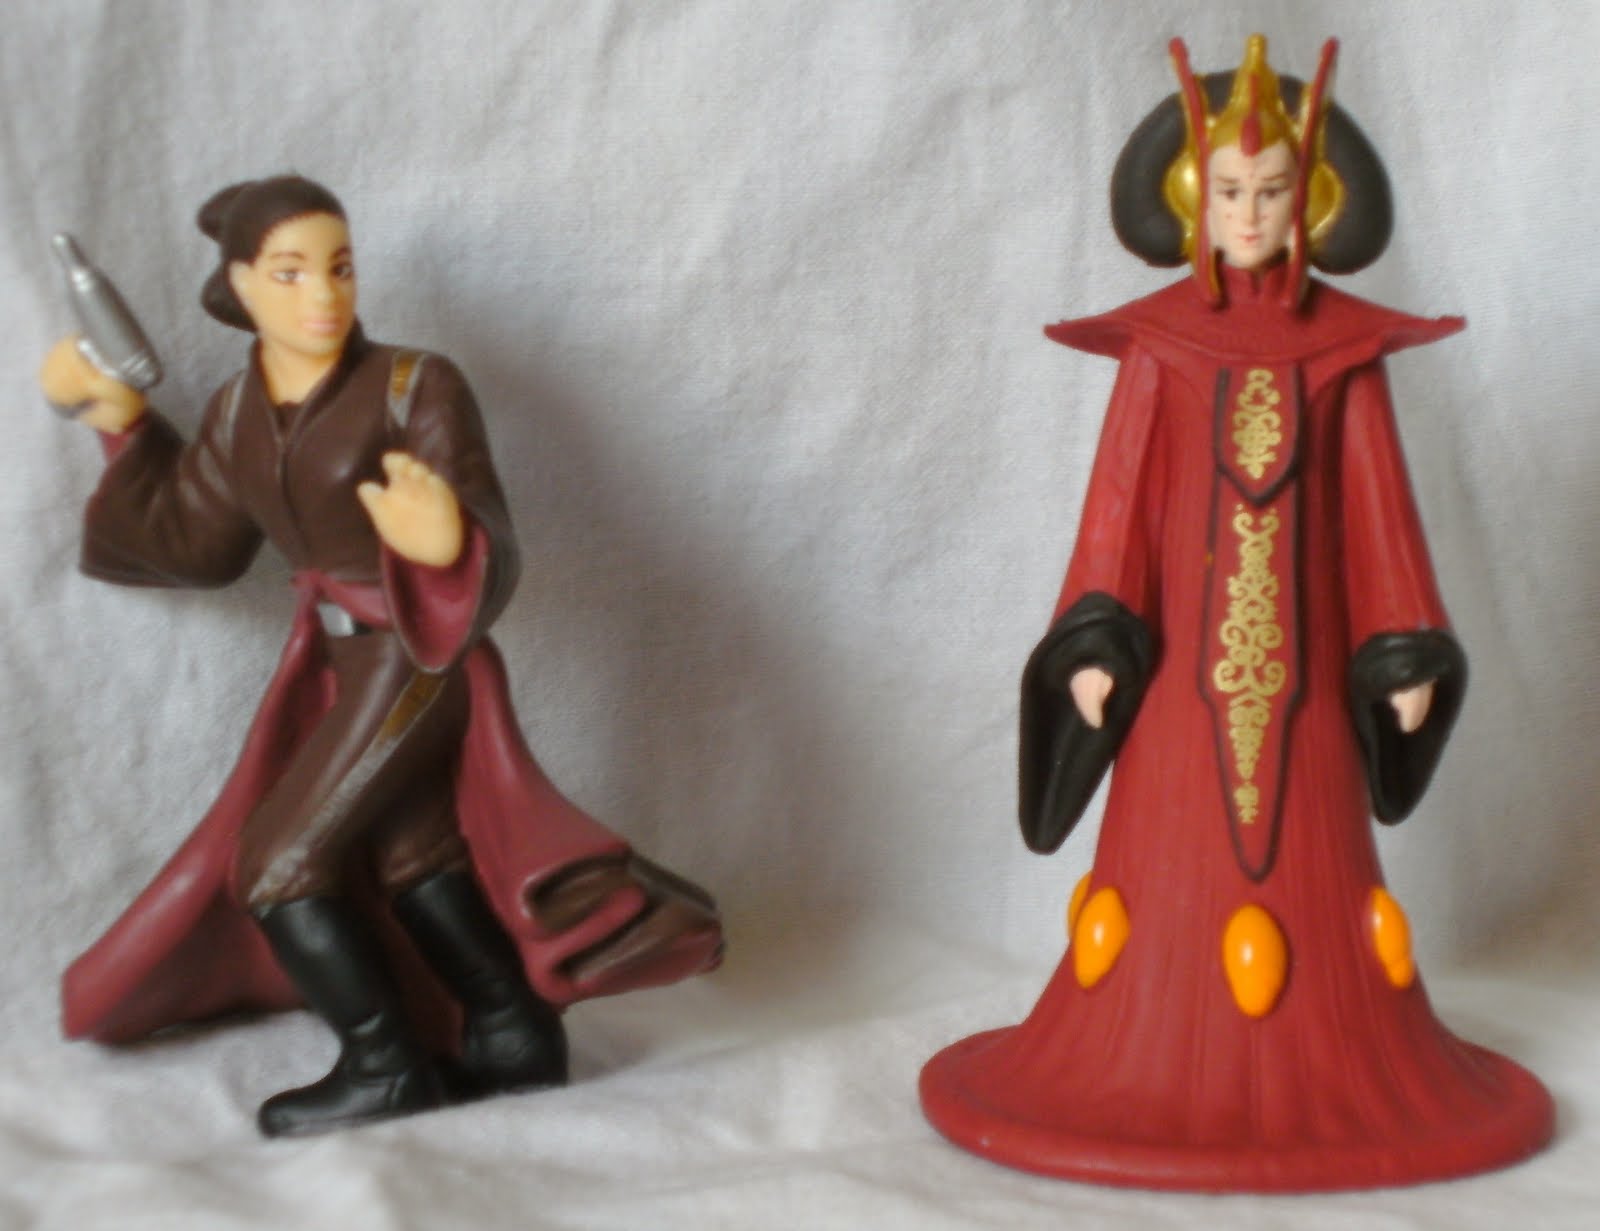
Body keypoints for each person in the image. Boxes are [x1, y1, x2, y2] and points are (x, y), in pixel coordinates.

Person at [919, 37, 1553, 1190]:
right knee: (1162, 874)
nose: (1249, 213)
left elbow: (1378, 510)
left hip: (1309, 697)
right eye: (1227, 192)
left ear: (1309, 200)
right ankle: (1141, 1046)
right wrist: (1096, 629)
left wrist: (1402, 643)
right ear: (1189, 202)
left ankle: (1335, 1062)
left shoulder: (1345, 351)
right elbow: (1116, 509)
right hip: (1173, 692)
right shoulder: (1160, 348)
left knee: (1314, 872)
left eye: (1269, 191)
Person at [40, 176, 721, 1138]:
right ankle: (513, 1033)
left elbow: (484, 518)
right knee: (415, 855)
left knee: (275, 862)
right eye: (290, 272)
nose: (323, 294)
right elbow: (196, 542)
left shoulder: (413, 384)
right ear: (240, 285)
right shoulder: (239, 411)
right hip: (336, 663)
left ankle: (387, 1065)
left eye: (341, 267)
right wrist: (117, 420)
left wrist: (447, 539)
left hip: (414, 656)